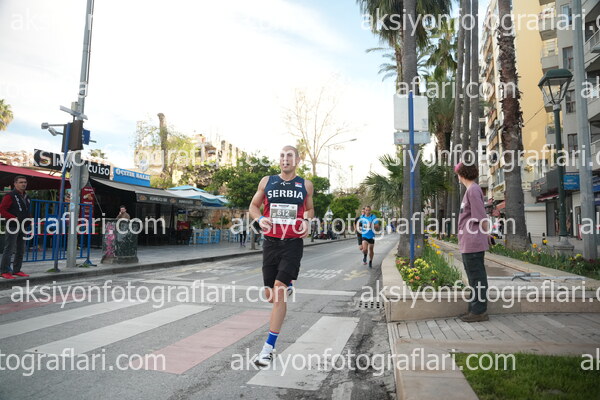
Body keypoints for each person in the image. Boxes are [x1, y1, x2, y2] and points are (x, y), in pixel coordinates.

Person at [249, 145, 314, 367]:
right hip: (271, 243)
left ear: (297, 160)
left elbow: (310, 209)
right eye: (282, 156)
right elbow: (253, 206)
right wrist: (259, 219)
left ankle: (268, 349)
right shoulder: (267, 181)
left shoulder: (305, 185)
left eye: (290, 156)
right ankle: (287, 284)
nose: (285, 159)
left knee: (278, 292)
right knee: (270, 295)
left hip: (293, 243)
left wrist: (306, 220)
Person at [455, 162, 490, 323]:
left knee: (477, 278)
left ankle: (479, 311)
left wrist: (486, 234)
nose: (457, 176)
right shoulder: (470, 190)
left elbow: (481, 216)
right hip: (468, 242)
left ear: (462, 174)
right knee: (473, 278)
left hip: (473, 242)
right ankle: (473, 309)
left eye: (458, 173)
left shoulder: (473, 190)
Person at [0, 175, 32, 279]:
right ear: (15, 184)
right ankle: (4, 271)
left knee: (21, 249)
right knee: (9, 248)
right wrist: (13, 218)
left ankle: (17, 270)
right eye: (21, 182)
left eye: (25, 182)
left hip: (24, 225)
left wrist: (29, 219)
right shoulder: (10, 196)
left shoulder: (27, 197)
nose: (23, 184)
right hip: (12, 225)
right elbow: (2, 210)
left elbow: (26, 210)